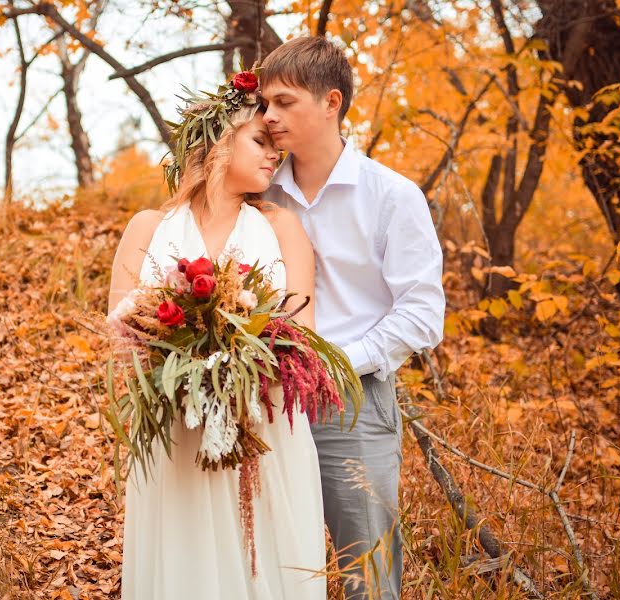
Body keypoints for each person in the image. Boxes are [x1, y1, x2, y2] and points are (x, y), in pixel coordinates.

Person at [108, 73, 327, 599]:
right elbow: (118, 339)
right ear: (217, 143)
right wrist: (177, 363)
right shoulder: (146, 227)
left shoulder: (282, 227)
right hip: (176, 432)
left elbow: (303, 335)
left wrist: (234, 367)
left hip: (264, 429)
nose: (274, 157)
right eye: (260, 141)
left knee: (267, 564)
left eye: (276, 147)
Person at [260, 37, 446, 599]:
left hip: (354, 406)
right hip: (263, 402)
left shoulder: (392, 196)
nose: (269, 117)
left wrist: (338, 363)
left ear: (331, 102)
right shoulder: (258, 191)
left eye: (285, 102)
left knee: (365, 576)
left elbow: (422, 312)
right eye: (265, 103)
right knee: (271, 567)